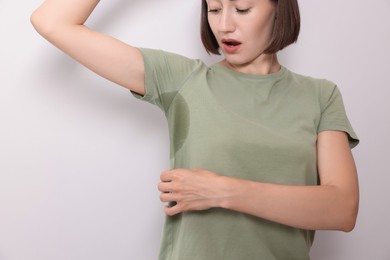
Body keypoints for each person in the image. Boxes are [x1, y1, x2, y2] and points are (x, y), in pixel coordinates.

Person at [30, 0, 360, 259]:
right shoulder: (184, 79)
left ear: (279, 9)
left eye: (242, 9)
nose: (224, 25)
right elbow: (52, 21)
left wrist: (222, 192)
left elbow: (342, 209)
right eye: (213, 9)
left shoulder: (320, 95)